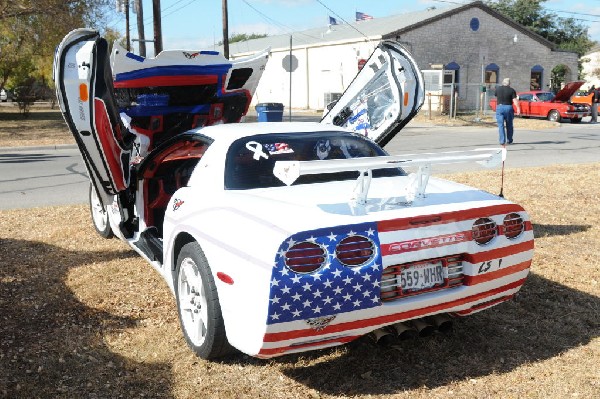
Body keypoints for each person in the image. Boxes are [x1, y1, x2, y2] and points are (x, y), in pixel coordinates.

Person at [495, 78, 521, 145]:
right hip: (508, 107)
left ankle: (502, 141)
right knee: (509, 125)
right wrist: (518, 108)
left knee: (501, 125)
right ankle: (509, 140)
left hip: (500, 107)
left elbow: (496, 96)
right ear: (509, 83)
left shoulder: (498, 89)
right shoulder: (512, 90)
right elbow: (515, 100)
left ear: (503, 82)